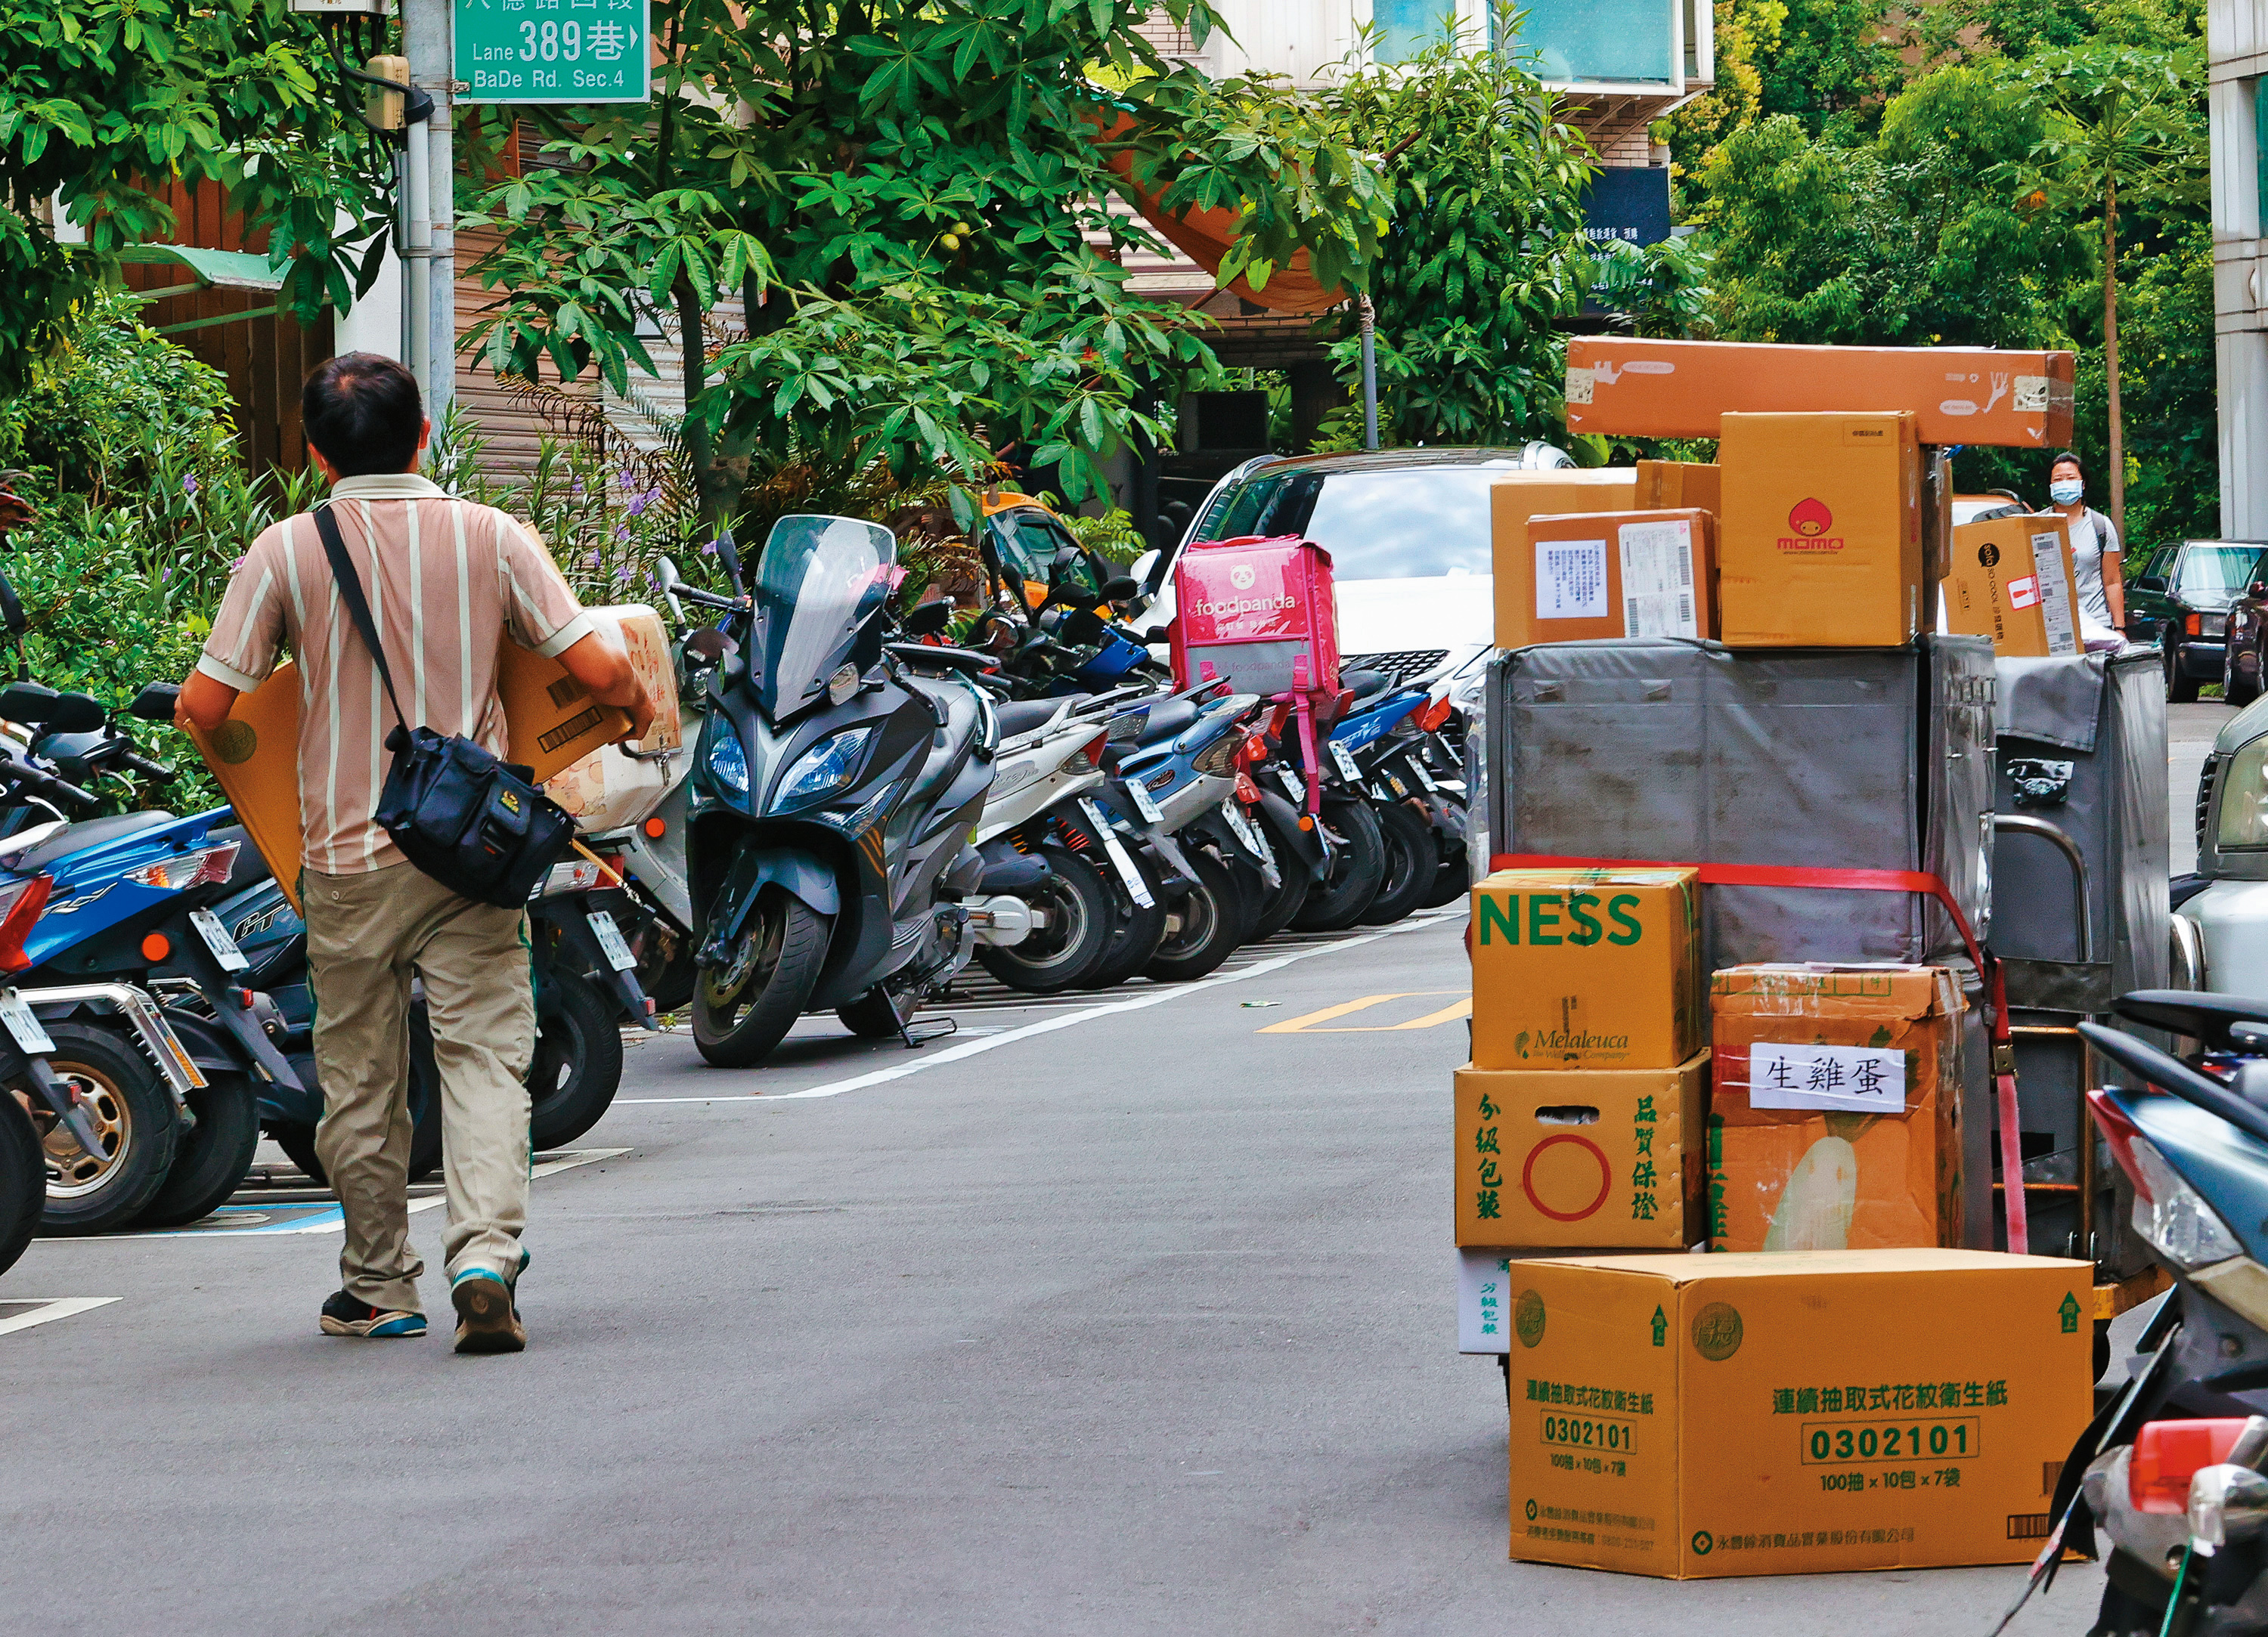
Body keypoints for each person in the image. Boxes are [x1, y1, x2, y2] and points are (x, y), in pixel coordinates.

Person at [178, 354, 652, 1354]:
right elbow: (600, 664)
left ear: (313, 454)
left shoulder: (283, 552)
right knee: (484, 1056)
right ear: (426, 435)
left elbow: (206, 708)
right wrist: (631, 703)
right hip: (473, 849)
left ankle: (378, 1284)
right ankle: (483, 1253)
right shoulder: (492, 536)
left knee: (359, 1073)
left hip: (345, 855)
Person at [2046, 451, 2126, 637]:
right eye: (2058, 480)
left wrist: (2119, 628)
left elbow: (2112, 581)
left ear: (2082, 484)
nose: (2064, 484)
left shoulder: (2101, 526)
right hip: (2052, 629)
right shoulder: (2036, 525)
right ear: (2050, 487)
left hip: (2096, 626)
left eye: (2070, 478)